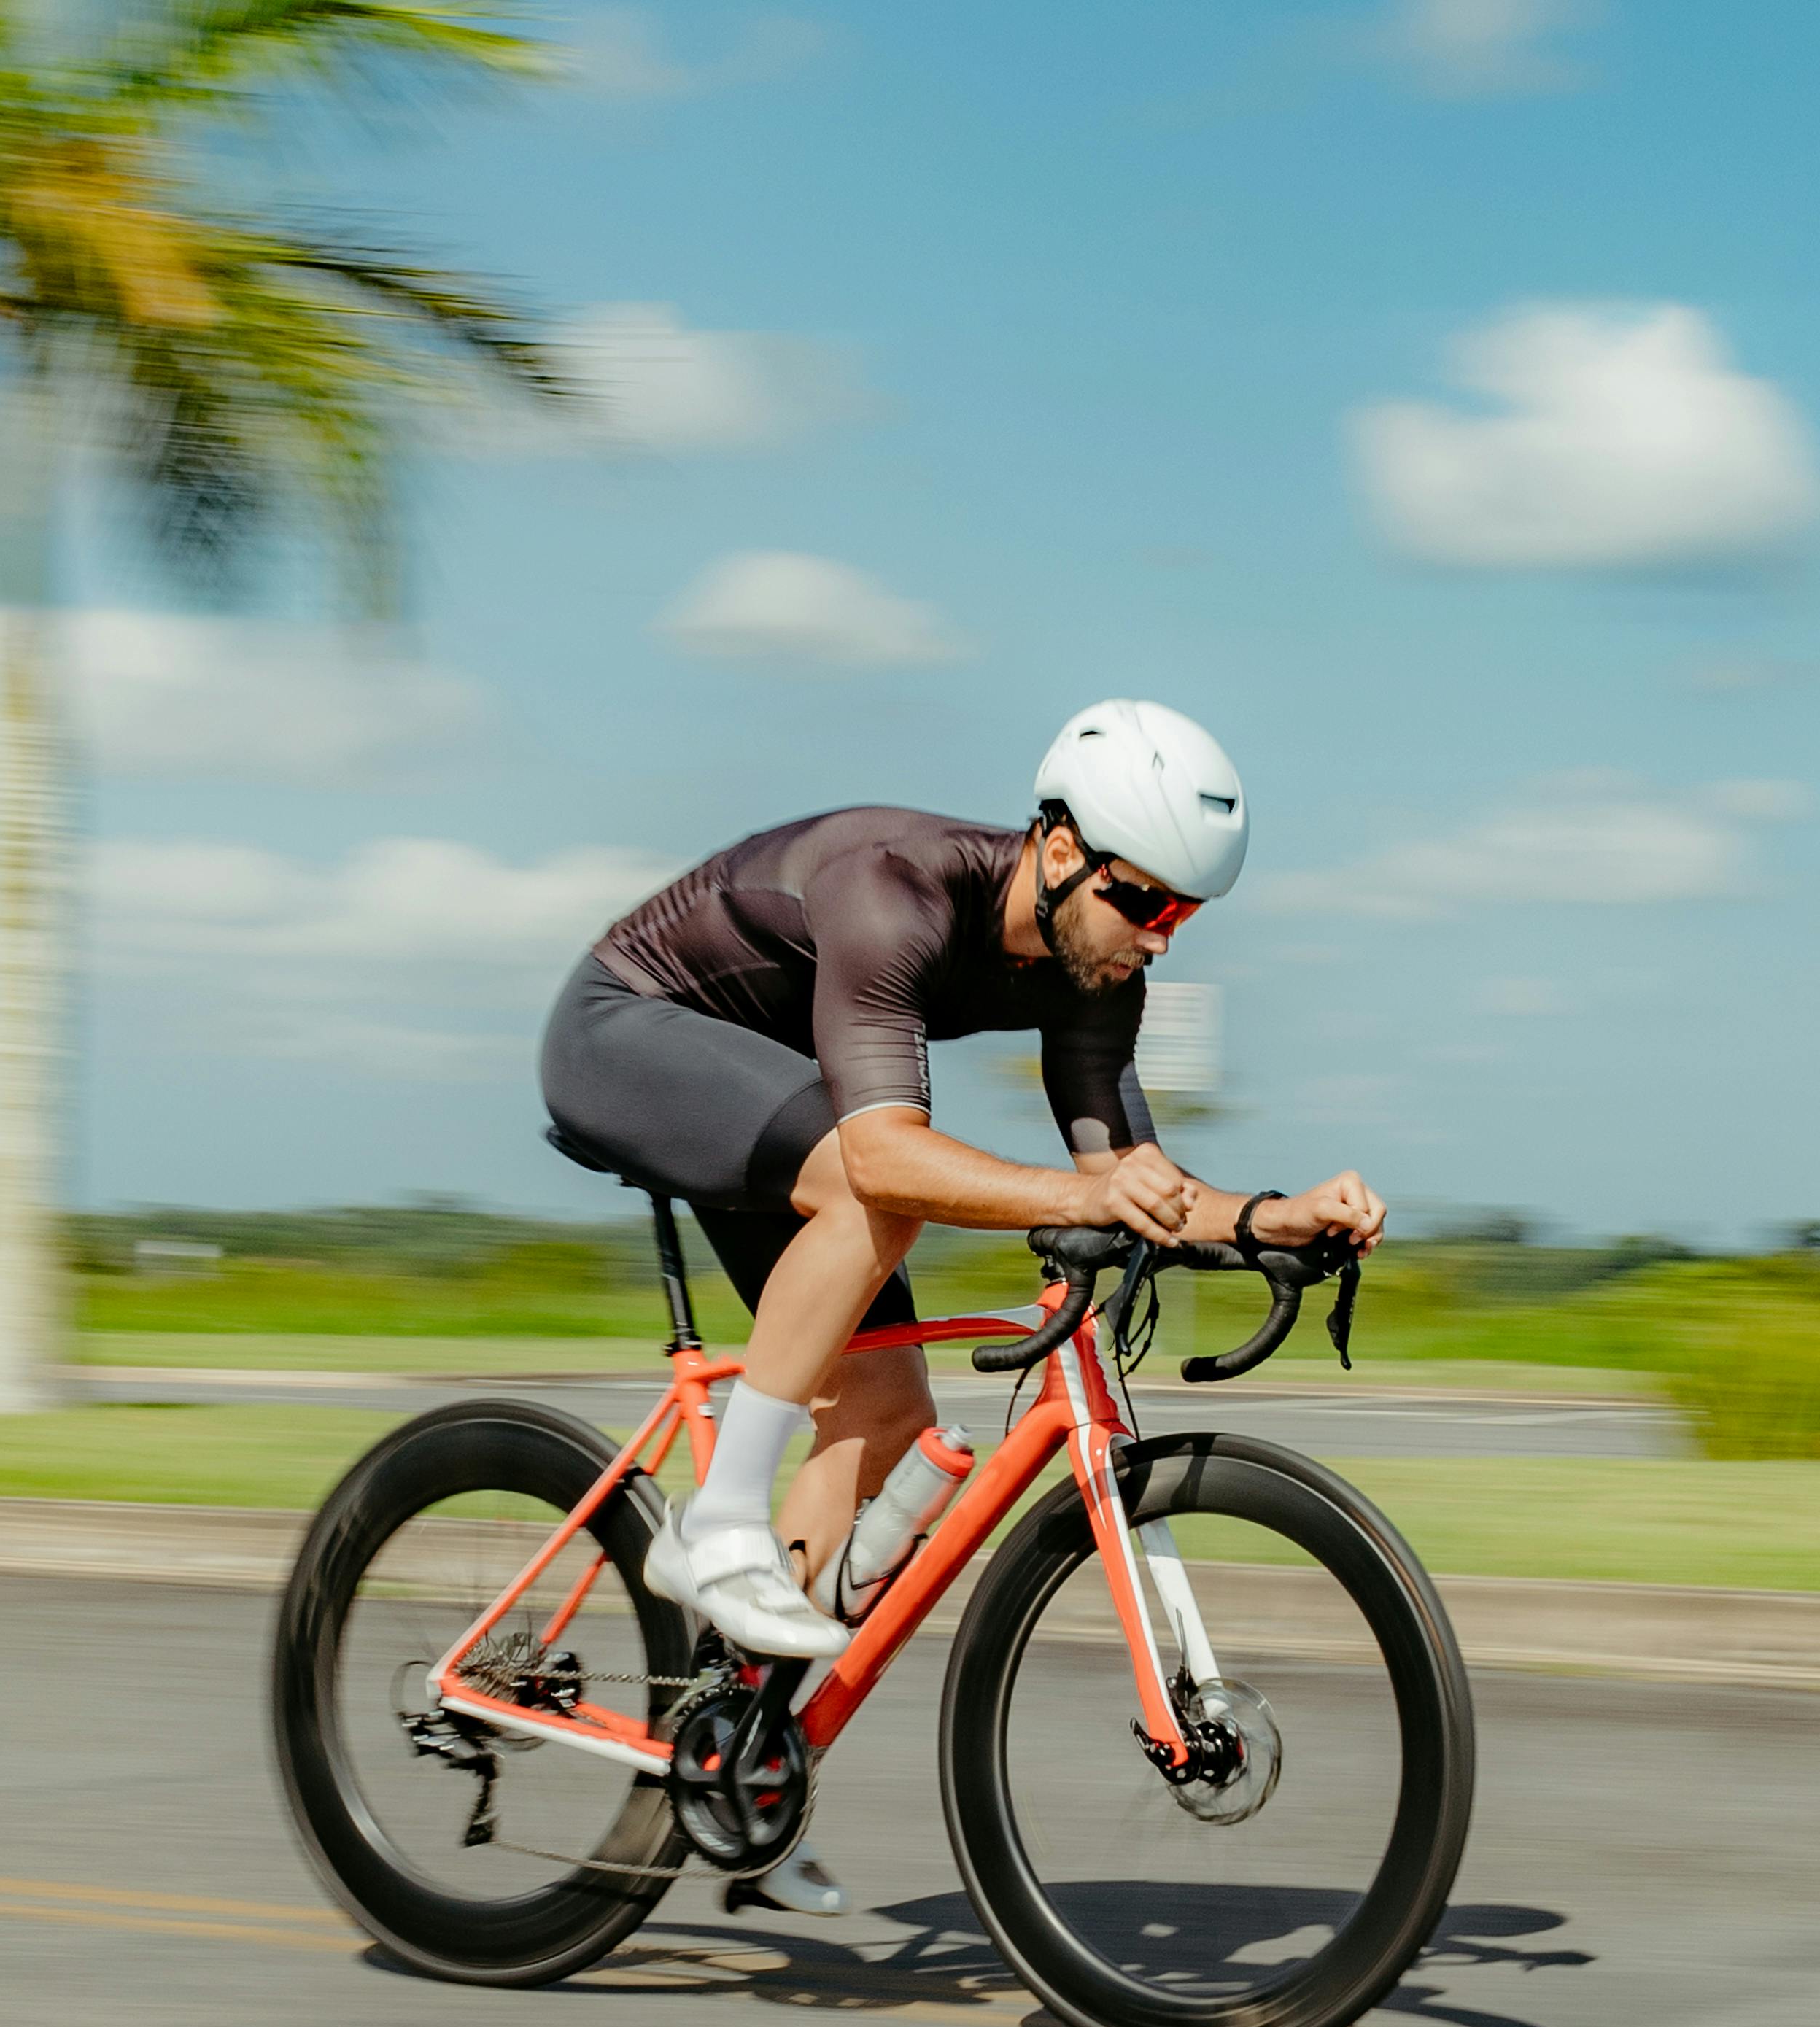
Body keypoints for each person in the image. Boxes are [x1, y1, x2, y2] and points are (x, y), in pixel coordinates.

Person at [539, 699, 1387, 1912]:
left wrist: (1270, 1217)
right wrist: (1062, 1193)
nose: (1159, 938)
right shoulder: (896, 892)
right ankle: (714, 1522)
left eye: (1186, 915)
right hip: (634, 1031)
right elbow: (887, 1157)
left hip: (781, 1094)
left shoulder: (1096, 972)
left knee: (887, 1407)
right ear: (1057, 851)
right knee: (881, 1191)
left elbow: (1131, 1181)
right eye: (1143, 901)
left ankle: (740, 1768)